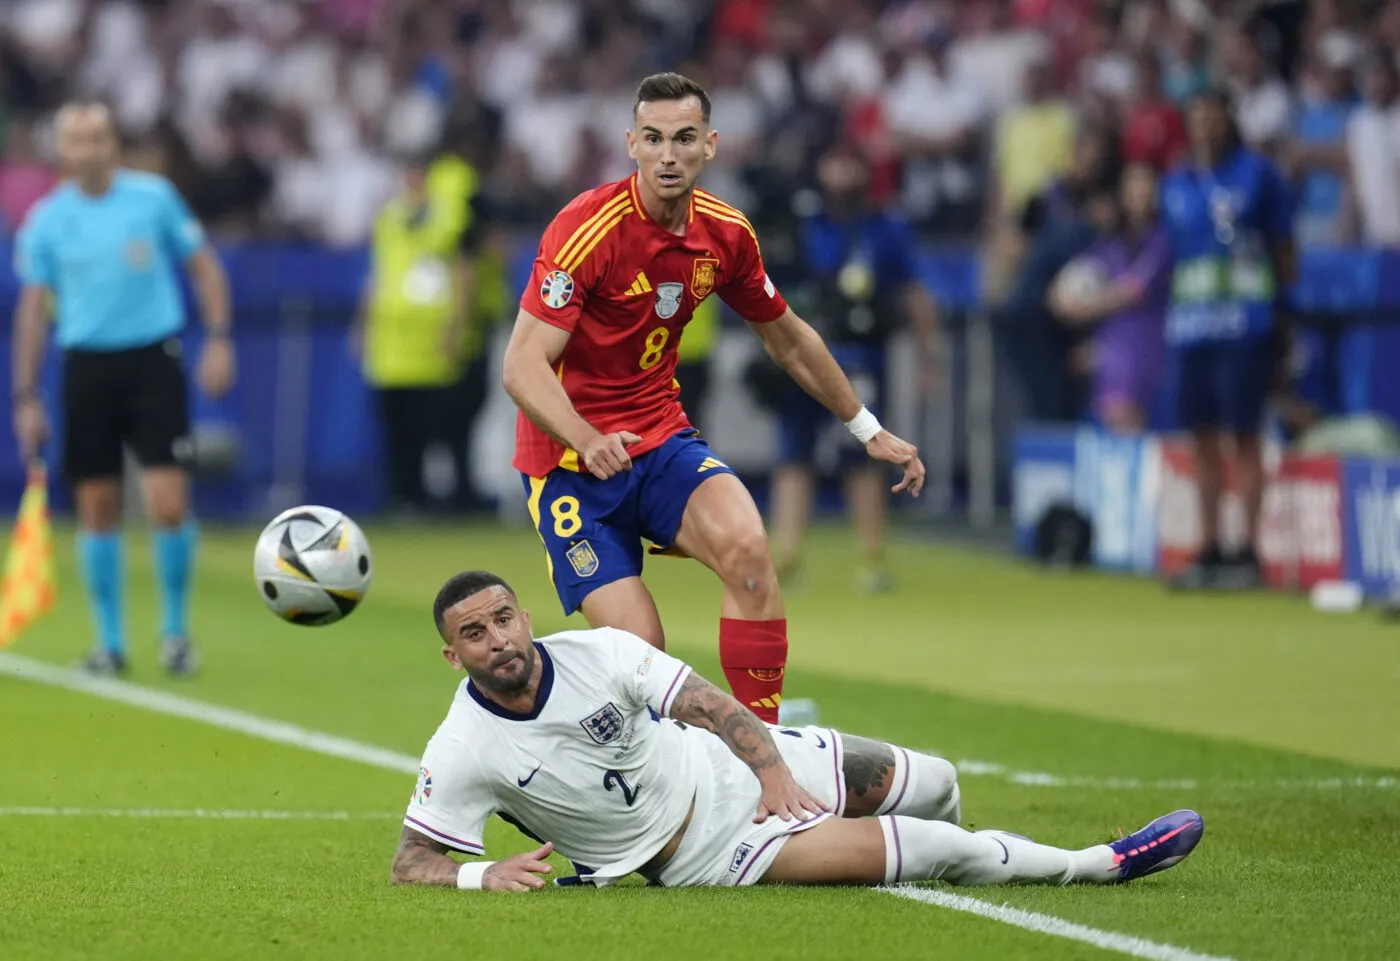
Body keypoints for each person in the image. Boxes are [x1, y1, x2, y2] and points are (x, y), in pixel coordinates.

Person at [500, 73, 926, 724]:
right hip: (568, 467)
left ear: (711, 146)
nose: (668, 154)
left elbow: (789, 339)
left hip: (659, 438)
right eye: (653, 138)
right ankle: (610, 786)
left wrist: (867, 428)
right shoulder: (587, 228)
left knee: (750, 551)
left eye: (684, 138)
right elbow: (523, 364)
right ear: (631, 145)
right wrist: (586, 438)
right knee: (642, 655)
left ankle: (767, 754)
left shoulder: (725, 234)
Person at [390, 570, 1204, 892]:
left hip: (738, 768)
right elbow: (411, 862)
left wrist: (775, 776)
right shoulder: (462, 748)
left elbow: (712, 704)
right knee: (921, 848)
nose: (498, 640)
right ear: (452, 654)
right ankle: (1100, 865)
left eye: (503, 617)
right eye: (475, 633)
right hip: (708, 850)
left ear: (524, 615)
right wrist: (478, 876)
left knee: (939, 780)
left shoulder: (599, 652)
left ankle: (969, 860)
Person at [11, 102, 235, 676]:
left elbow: (203, 265)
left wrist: (218, 337)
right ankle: (109, 642)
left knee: (168, 502)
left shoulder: (152, 198)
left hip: (152, 360)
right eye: (77, 140)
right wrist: (26, 396)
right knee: (97, 508)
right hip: (86, 365)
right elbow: (32, 312)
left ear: (114, 144)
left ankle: (176, 633)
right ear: (62, 150)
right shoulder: (46, 221)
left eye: (98, 138)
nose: (88, 149)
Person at [767, 144, 941, 593]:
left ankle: (871, 556)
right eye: (833, 160)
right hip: (802, 353)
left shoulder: (886, 228)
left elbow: (913, 294)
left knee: (866, 456)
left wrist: (930, 358)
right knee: (793, 454)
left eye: (849, 163)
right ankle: (785, 557)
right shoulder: (802, 223)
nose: (840, 171)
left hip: (861, 354)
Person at [1160, 89, 1294, 591]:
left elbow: (1284, 250)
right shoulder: (1175, 183)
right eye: (1198, 119)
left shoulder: (1258, 175)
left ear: (1228, 122)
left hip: (1246, 326)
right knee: (1202, 437)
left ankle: (1250, 551)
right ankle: (1211, 544)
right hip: (1192, 328)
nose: (1206, 128)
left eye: (1214, 118)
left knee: (1245, 436)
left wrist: (1282, 318)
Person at [352, 147, 476, 516]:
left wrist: (457, 326)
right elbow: (379, 273)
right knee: (396, 428)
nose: (412, 181)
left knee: (438, 428)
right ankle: (402, 498)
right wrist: (362, 325)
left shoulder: (447, 219)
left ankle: (437, 500)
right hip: (391, 344)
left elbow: (463, 274)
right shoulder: (390, 218)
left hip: (430, 341)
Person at [1048, 163, 1172, 435]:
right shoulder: (1113, 243)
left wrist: (1083, 308)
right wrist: (1058, 294)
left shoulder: (1161, 239)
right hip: (1112, 348)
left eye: (1145, 186)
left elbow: (1134, 290)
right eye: (1133, 187)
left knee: (1134, 426)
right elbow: (1079, 274)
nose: (1139, 193)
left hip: (1145, 344)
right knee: (1112, 425)